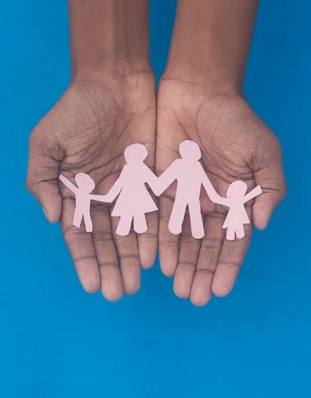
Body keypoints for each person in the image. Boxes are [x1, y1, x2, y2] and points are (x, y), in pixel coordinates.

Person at [26, 0, 287, 305]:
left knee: (180, 213)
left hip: (177, 194)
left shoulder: (177, 168)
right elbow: (155, 184)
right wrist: (104, 72)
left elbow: (183, 185)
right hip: (152, 194)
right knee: (163, 213)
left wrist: (210, 80)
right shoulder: (150, 169)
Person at [94, 144, 161, 236]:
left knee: (136, 215)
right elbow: (120, 182)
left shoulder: (140, 168)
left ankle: (135, 228)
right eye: (127, 155)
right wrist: (110, 195)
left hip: (134, 195)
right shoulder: (131, 168)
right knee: (131, 215)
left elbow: (152, 182)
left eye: (129, 155)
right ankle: (130, 229)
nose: (127, 157)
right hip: (132, 196)